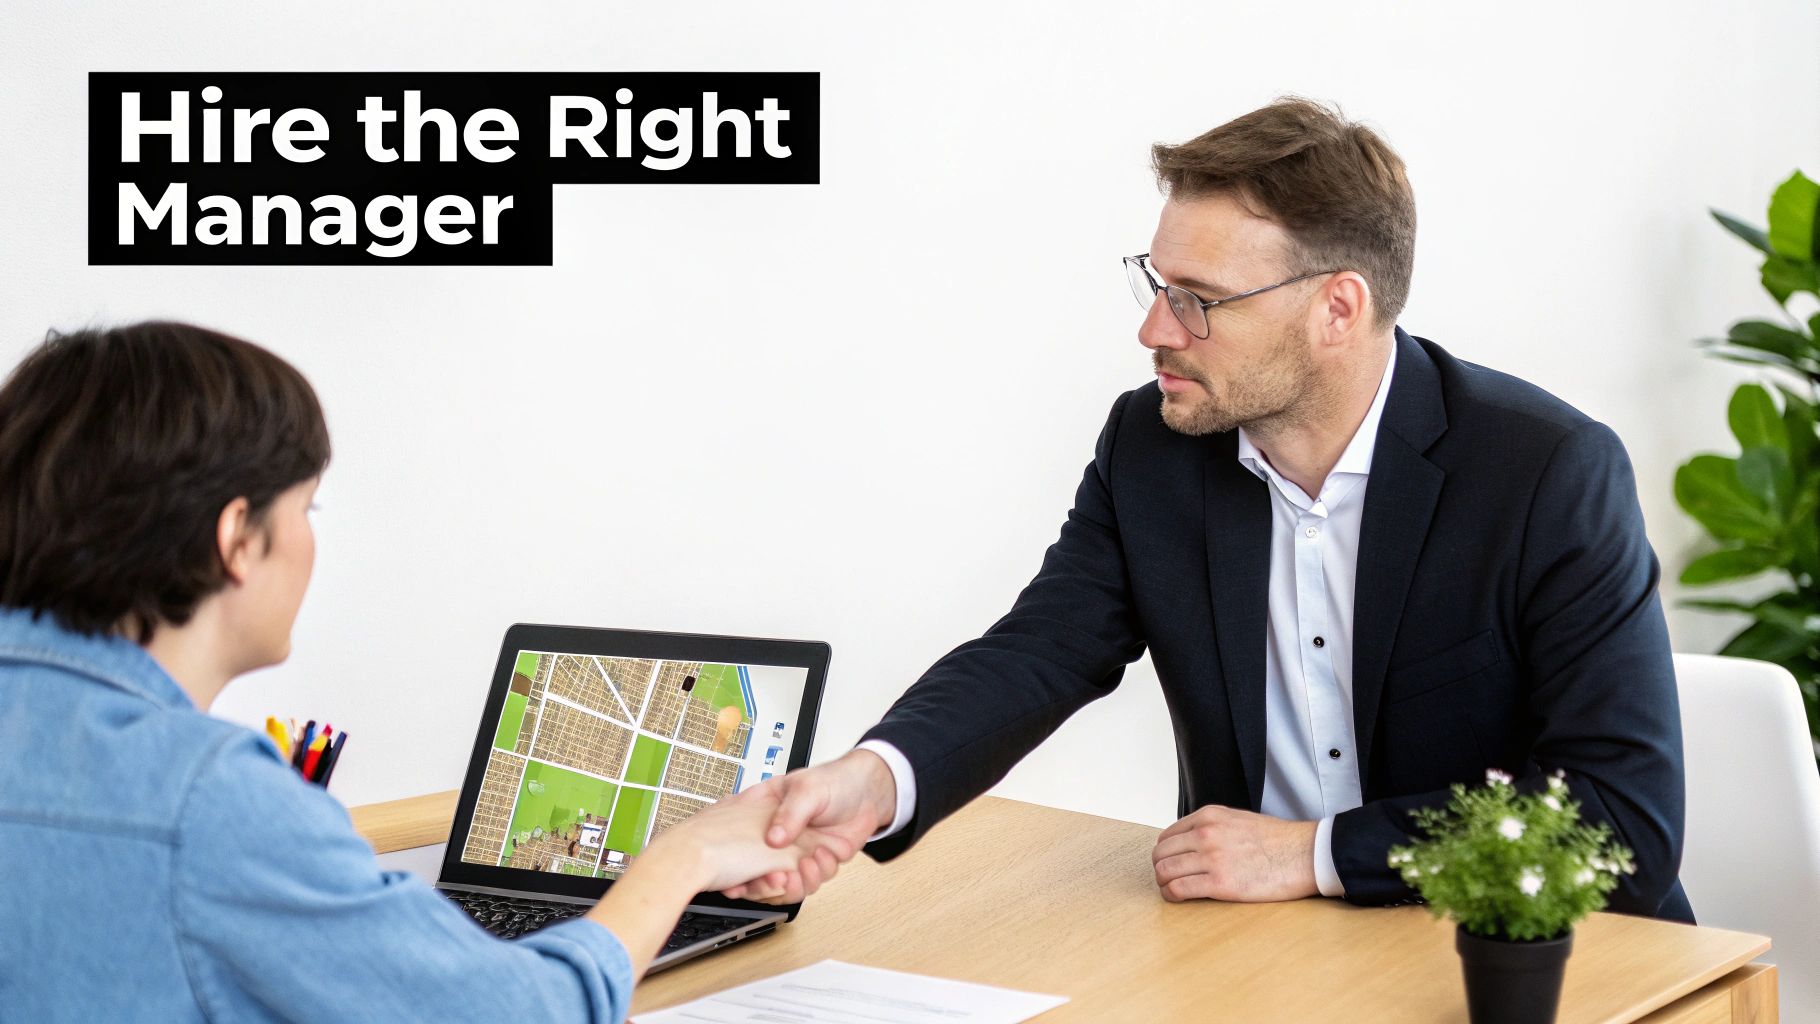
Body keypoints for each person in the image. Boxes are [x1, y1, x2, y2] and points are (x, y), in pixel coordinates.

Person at [732, 97, 1693, 922]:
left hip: (1529, 952)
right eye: (1156, 284)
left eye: (1198, 299)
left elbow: (1620, 818)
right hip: (1256, 956)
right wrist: (876, 779)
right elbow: (1041, 649)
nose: (1154, 329)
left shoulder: (1546, 472)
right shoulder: (1152, 448)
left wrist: (1312, 856)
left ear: (1338, 310)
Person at [0, 321, 848, 1021]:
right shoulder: (205, 802)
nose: (312, 541)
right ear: (236, 539)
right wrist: (683, 857)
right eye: (308, 508)